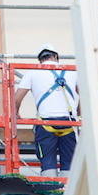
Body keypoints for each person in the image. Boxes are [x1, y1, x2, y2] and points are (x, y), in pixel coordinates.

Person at [12, 45, 79, 178]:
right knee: (70, 163)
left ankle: (51, 187)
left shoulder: (32, 72)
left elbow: (16, 99)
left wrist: (16, 114)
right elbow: (84, 96)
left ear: (40, 60)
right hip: (70, 124)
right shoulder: (72, 71)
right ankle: (67, 192)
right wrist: (78, 113)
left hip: (45, 123)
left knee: (47, 163)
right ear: (56, 57)